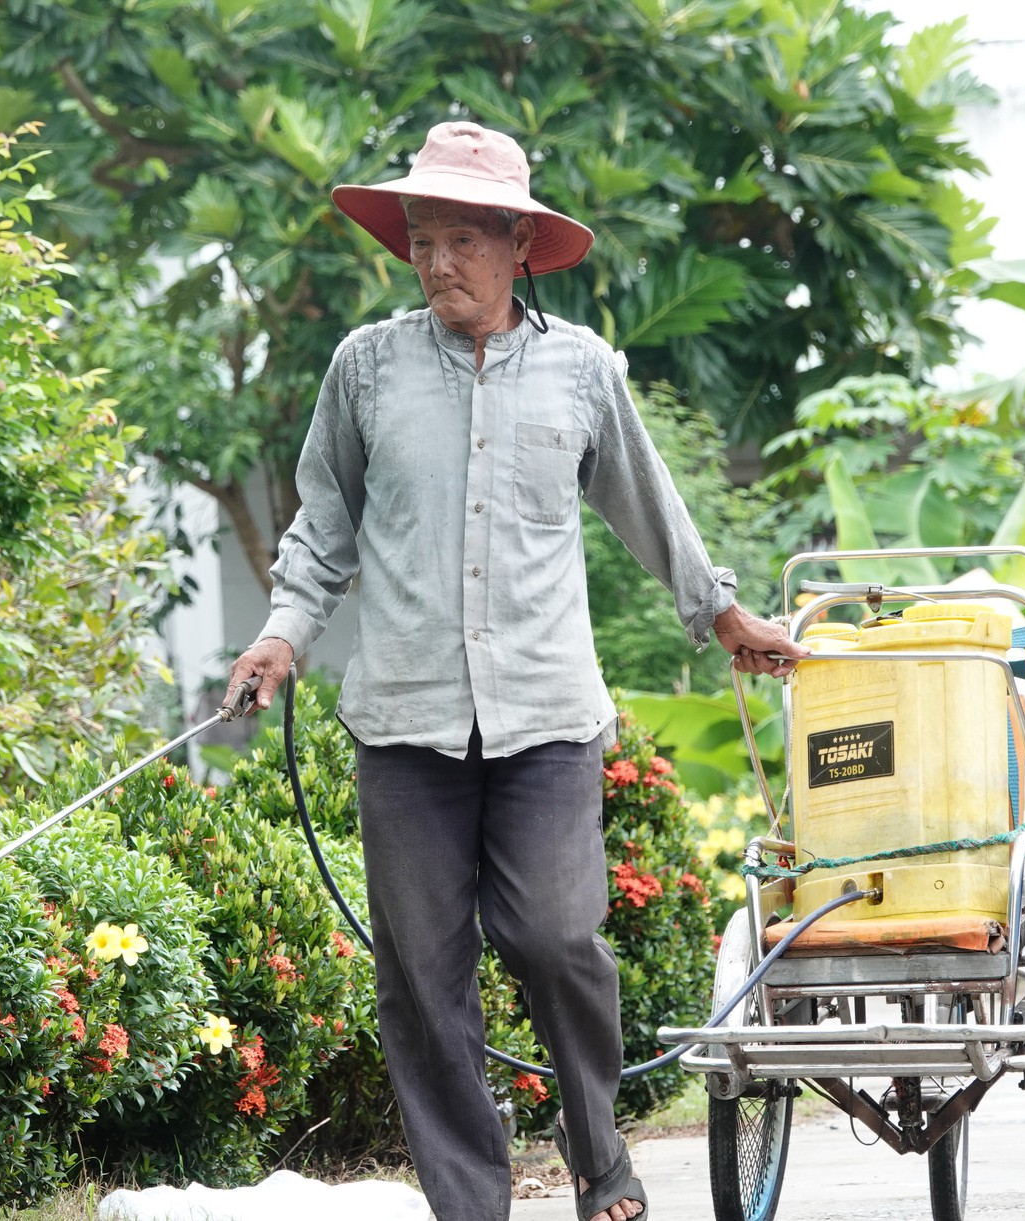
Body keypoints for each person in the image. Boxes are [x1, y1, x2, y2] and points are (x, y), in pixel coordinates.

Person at [224, 122, 806, 1221]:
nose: (436, 262)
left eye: (458, 240)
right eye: (420, 241)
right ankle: (469, 1204)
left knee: (553, 934)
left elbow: (648, 503)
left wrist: (717, 612)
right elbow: (321, 526)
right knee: (423, 978)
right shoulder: (365, 368)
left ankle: (600, 1159)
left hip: (544, 715)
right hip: (403, 722)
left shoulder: (581, 370)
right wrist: (281, 633)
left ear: (515, 244)